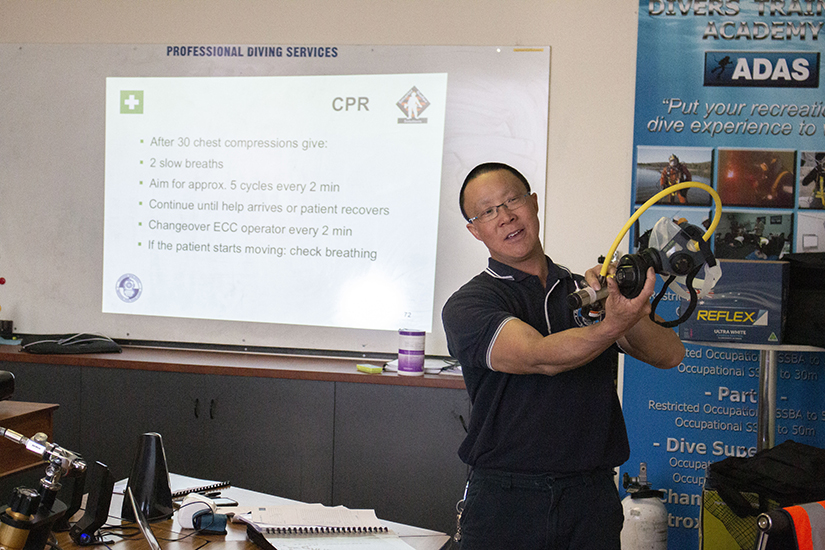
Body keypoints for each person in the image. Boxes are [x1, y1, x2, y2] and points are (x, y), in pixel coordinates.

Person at [441, 162, 685, 550]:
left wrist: (625, 307)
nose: (505, 217)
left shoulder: (584, 290)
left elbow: (670, 354)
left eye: (512, 200)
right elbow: (539, 356)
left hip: (592, 500)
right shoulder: (470, 304)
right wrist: (609, 326)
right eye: (487, 211)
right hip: (507, 500)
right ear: (475, 230)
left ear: (533, 204)